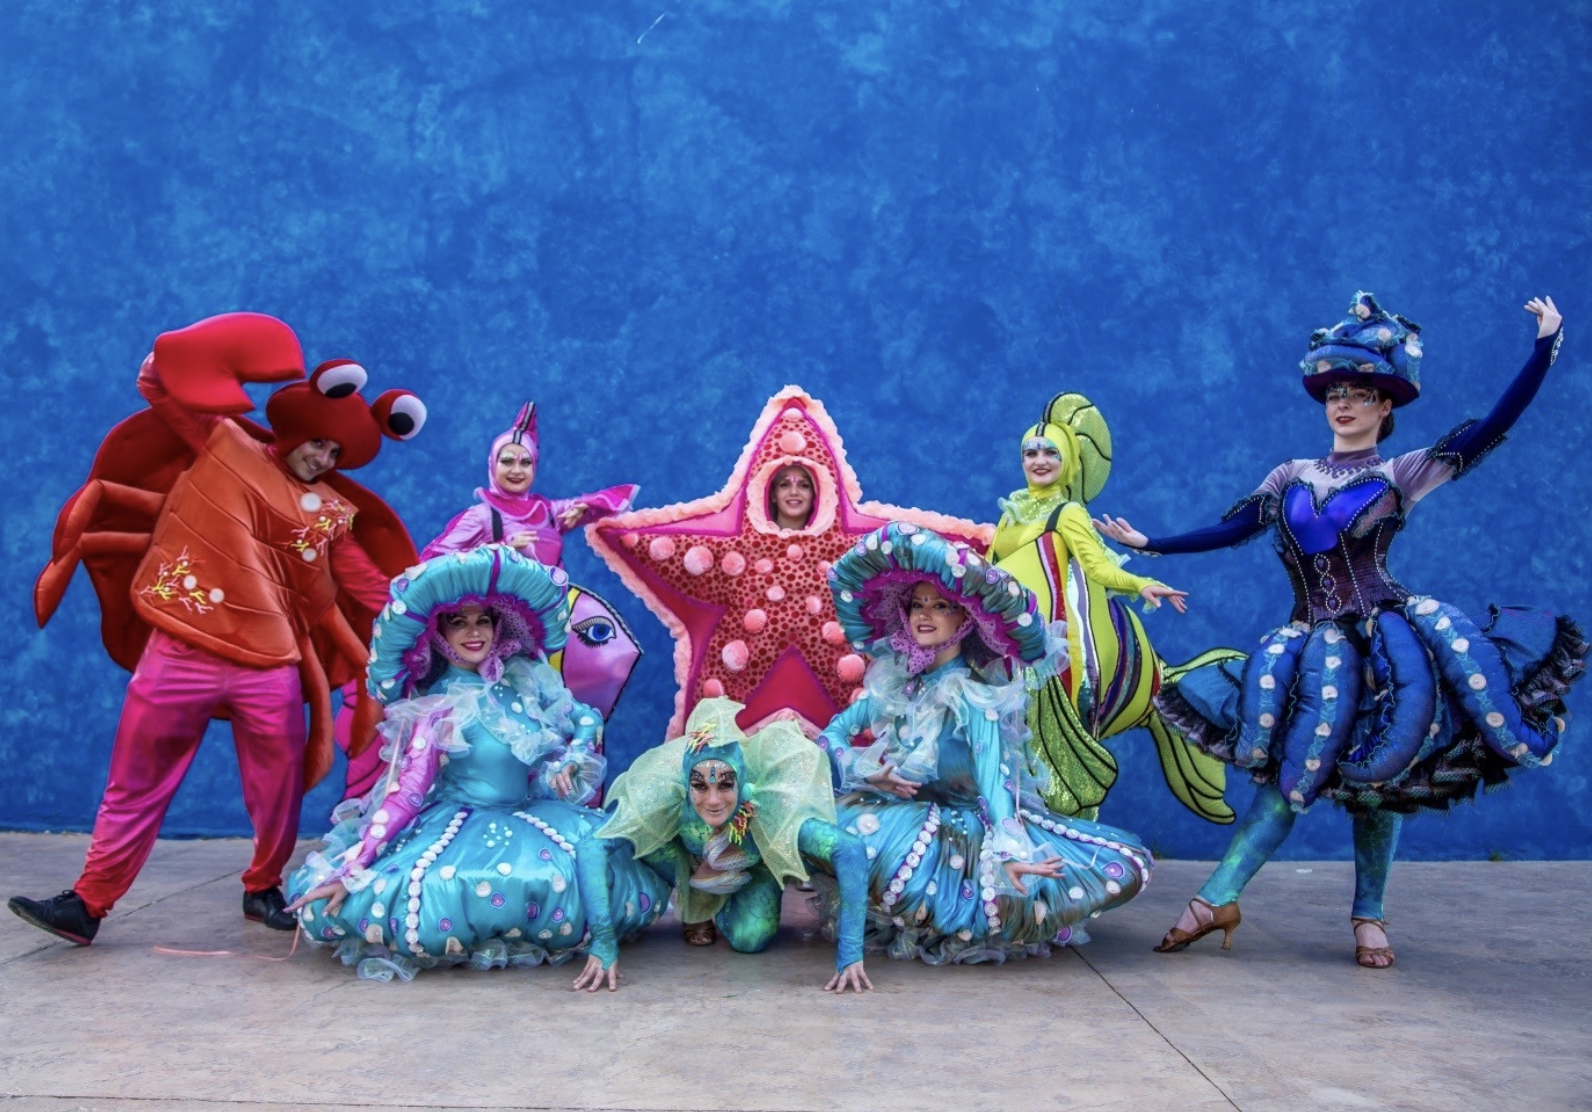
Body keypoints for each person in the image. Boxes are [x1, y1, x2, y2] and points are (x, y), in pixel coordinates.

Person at [1095, 293, 1584, 967]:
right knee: (1286, 781)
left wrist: (1544, 348)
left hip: (1387, 643)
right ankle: (1216, 899)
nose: (1344, 404)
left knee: (1382, 779)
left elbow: (1493, 426)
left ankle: (1367, 916)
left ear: (1385, 407)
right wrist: (1153, 544)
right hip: (1309, 647)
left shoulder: (1401, 473)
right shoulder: (1290, 475)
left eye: (1360, 394)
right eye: (1335, 394)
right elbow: (1233, 529)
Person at [11, 313, 423, 945]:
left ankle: (263, 887)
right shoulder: (223, 442)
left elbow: (368, 585)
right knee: (135, 782)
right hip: (179, 648)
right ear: (299, 429)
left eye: (336, 453)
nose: (324, 458)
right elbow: (156, 383)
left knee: (277, 787)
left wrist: (439, 603)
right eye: (319, 443)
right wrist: (209, 352)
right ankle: (88, 903)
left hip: (270, 665)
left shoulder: (333, 513)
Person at [287, 545, 669, 986]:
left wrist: (572, 756)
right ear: (438, 633)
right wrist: (354, 865)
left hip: (531, 814)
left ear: (498, 624)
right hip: (461, 826)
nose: (473, 632)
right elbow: (408, 792)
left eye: (482, 620)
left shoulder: (521, 678)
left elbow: (584, 717)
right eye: (458, 622)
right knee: (442, 892)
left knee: (604, 868)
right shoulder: (440, 707)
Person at [813, 523, 1155, 964]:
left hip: (963, 830)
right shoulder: (897, 683)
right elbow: (831, 737)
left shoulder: (975, 698)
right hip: (904, 814)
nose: (924, 615)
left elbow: (997, 783)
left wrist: (1010, 853)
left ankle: (944, 908)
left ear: (964, 619)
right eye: (917, 604)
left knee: (901, 859)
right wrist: (864, 769)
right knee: (827, 822)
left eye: (940, 605)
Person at [989, 393, 1237, 824]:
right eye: (1031, 452)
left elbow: (1099, 568)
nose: (1040, 460)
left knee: (1061, 740)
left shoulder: (1068, 513)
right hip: (1007, 643)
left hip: (1059, 647)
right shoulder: (1010, 512)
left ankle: (1073, 833)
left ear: (1069, 461)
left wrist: (1142, 583)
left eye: (1051, 452)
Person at [600, 697, 872, 992]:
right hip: (691, 868)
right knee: (646, 836)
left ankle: (721, 904)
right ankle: (696, 907)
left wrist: (850, 954)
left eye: (726, 785)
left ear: (740, 782)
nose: (713, 800)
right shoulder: (671, 798)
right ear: (687, 783)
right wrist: (602, 944)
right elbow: (594, 845)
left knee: (749, 940)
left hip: (751, 873)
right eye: (700, 786)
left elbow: (850, 849)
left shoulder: (764, 805)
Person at [420, 401, 636, 566]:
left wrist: (589, 506)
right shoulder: (481, 516)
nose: (516, 470)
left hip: (549, 607)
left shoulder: (548, 511)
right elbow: (432, 561)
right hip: (494, 610)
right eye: (507, 461)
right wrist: (499, 550)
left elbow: (617, 500)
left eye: (525, 462)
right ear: (492, 464)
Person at [767, 462, 816, 531]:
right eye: (785, 485)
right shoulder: (752, 536)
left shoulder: (829, 537)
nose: (794, 492)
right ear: (773, 495)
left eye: (804, 486)